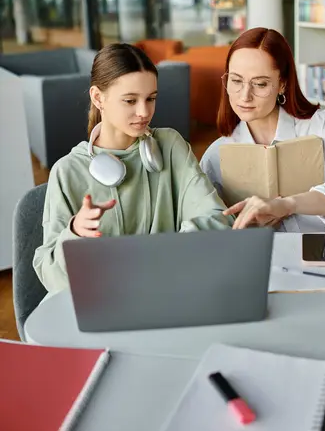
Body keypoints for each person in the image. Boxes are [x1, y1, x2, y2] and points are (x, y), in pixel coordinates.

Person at [34, 43, 233, 294]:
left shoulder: (170, 147)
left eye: (151, 99)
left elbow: (217, 218)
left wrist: (166, 256)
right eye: (130, 100)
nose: (144, 112)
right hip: (101, 302)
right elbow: (52, 279)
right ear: (98, 97)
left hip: (167, 293)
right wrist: (74, 233)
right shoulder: (67, 172)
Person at [200, 27, 325, 234]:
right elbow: (206, 224)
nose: (245, 96)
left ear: (282, 84)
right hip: (258, 258)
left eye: (260, 84)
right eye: (236, 81)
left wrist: (289, 204)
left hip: (321, 255)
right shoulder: (216, 155)